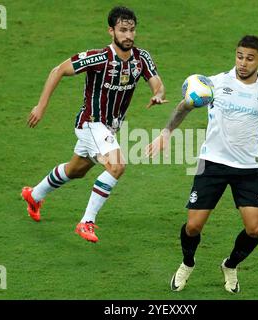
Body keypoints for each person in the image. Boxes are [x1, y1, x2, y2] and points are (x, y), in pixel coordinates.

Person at [146, 35, 258, 293]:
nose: (243, 63)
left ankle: (230, 265)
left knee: (254, 229)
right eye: (239, 56)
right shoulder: (215, 84)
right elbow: (185, 106)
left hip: (248, 170)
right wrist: (166, 133)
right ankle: (188, 263)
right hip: (212, 164)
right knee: (193, 226)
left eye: (250, 58)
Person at [21, 6, 167, 243]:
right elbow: (57, 70)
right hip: (91, 123)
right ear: (111, 31)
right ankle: (86, 221)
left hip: (109, 128)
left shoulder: (142, 58)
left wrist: (158, 94)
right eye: (122, 30)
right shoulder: (98, 58)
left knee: (75, 170)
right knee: (117, 166)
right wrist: (41, 106)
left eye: (131, 30)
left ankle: (34, 195)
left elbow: (157, 83)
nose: (128, 35)